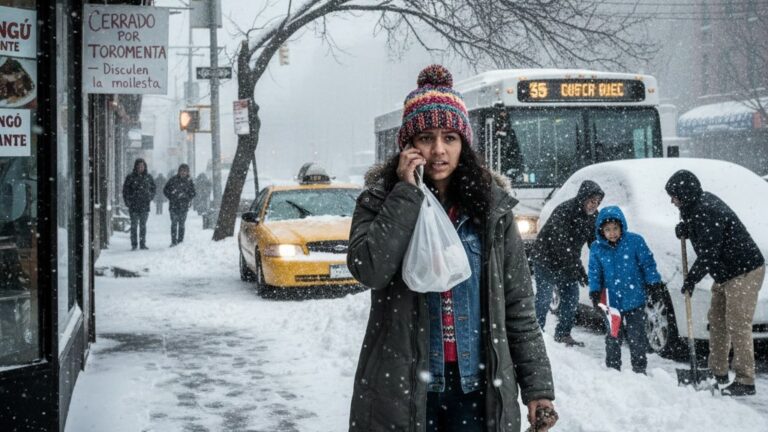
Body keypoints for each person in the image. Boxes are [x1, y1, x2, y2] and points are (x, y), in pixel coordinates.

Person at [347, 65, 556, 432]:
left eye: (450, 138)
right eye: (426, 137)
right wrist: (407, 194)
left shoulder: (492, 211)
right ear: (408, 146)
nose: (439, 150)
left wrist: (537, 387)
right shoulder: (380, 202)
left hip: (475, 389)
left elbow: (518, 307)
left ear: (464, 144)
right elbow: (370, 269)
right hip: (406, 387)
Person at [666, 169, 765, 396]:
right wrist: (687, 230)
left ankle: (745, 380)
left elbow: (710, 252)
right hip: (725, 272)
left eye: (674, 196)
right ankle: (717, 371)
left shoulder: (707, 209)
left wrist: (691, 279)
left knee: (738, 323)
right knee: (717, 320)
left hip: (744, 271)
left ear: (685, 193)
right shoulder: (694, 206)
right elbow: (705, 234)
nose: (672, 201)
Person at [588, 206, 663, 374]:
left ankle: (639, 368)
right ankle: (613, 369)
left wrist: (654, 282)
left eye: (615, 228)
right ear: (601, 231)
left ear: (622, 227)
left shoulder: (635, 242)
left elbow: (648, 264)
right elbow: (594, 271)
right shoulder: (597, 248)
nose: (612, 233)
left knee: (637, 335)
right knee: (613, 335)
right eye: (608, 230)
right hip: (611, 300)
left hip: (634, 296)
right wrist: (594, 291)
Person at [531, 180, 604, 346]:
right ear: (584, 198)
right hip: (546, 258)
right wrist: (578, 268)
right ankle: (536, 334)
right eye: (592, 201)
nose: (594, 205)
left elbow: (594, 242)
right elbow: (561, 244)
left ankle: (563, 334)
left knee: (571, 297)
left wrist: (601, 262)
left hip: (568, 261)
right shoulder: (565, 210)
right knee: (545, 296)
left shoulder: (594, 216)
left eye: (598, 202)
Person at [122, 158, 156, 250]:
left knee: (143, 225)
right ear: (136, 167)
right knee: (134, 226)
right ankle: (134, 244)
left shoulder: (148, 177)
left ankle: (142, 243)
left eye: (142, 166)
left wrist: (150, 197)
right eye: (139, 166)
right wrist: (128, 201)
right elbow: (125, 191)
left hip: (144, 205)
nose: (141, 168)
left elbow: (153, 189)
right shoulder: (130, 177)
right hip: (133, 205)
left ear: (145, 167)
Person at [164, 164, 196, 246]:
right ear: (179, 171)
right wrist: (171, 196)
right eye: (182, 170)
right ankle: (173, 241)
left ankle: (180, 241)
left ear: (187, 172)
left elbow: (193, 193)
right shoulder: (173, 180)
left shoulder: (189, 181)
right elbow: (165, 190)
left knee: (181, 224)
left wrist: (187, 197)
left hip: (184, 206)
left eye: (185, 171)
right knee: (174, 223)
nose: (183, 172)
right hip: (173, 206)